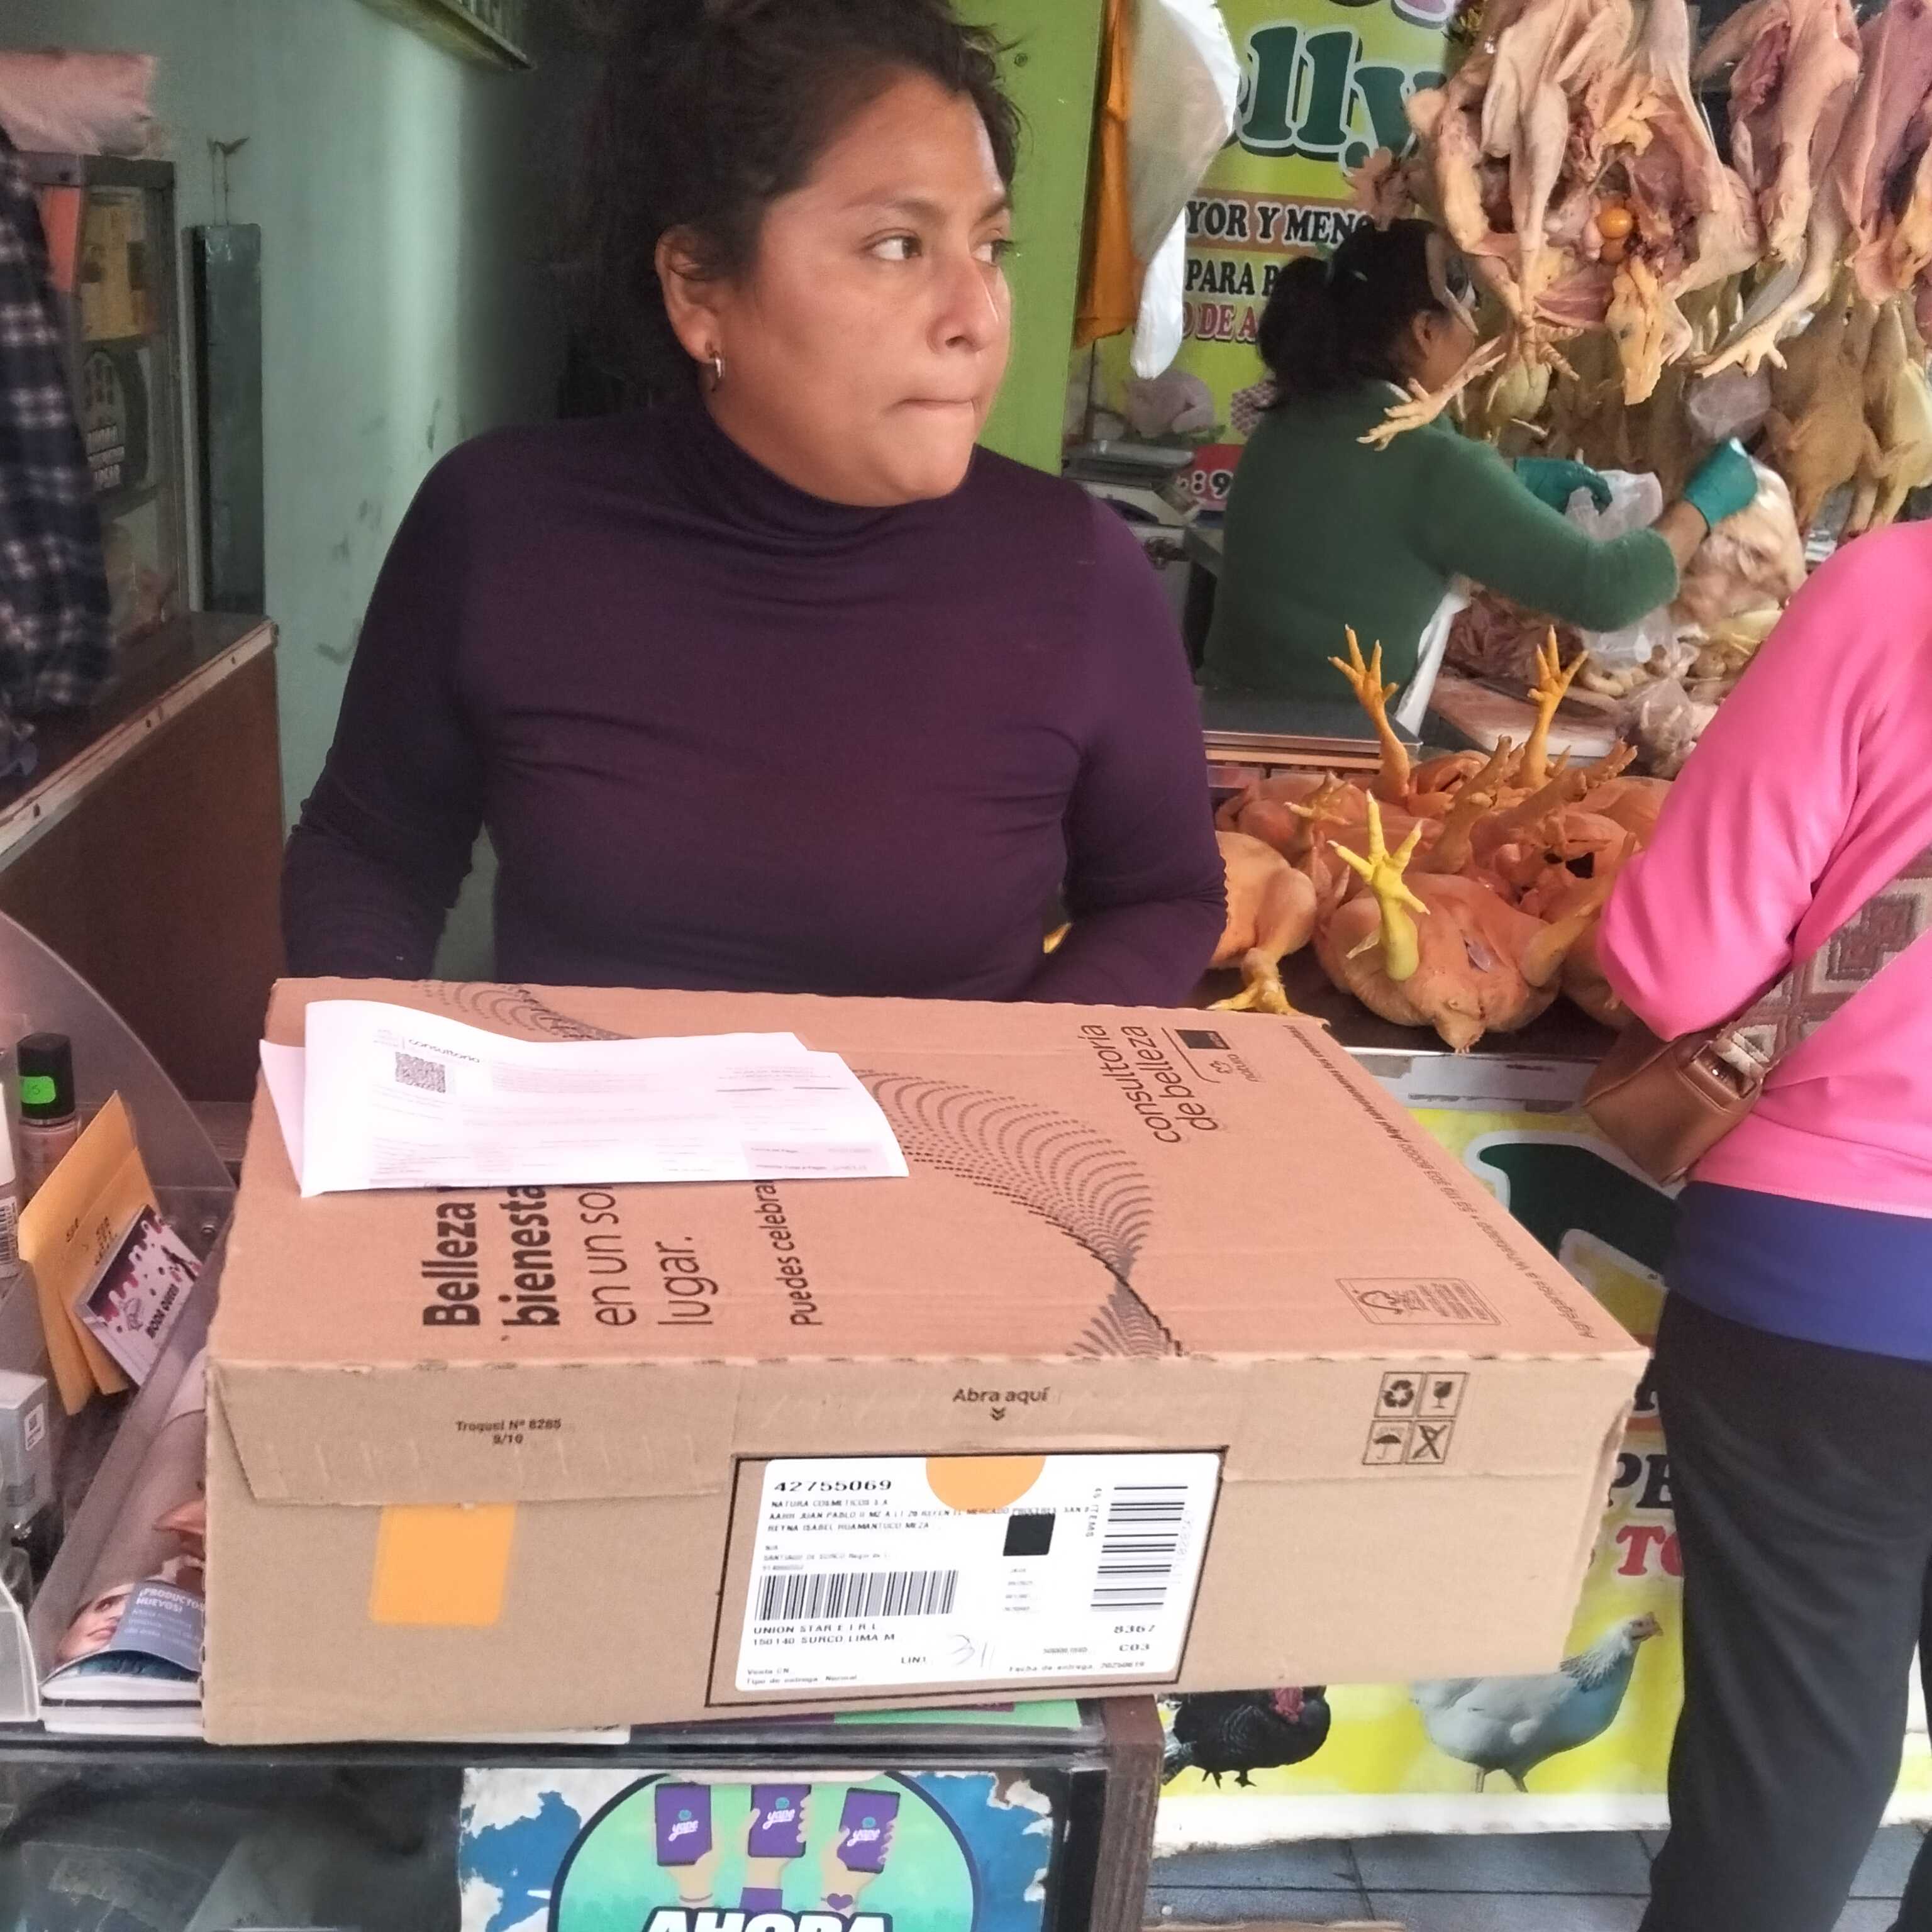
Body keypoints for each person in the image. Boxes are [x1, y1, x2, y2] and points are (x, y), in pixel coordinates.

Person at [283, 0, 1224, 1005]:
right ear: (698, 289)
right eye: (897, 246)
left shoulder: (1075, 571)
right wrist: (364, 1050)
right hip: (579, 1109)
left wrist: (999, 1078)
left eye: (989, 245)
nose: (978, 317)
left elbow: (1163, 895)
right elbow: (370, 849)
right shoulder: (502, 528)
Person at [1595, 519, 1932, 1932]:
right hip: (1837, 1287)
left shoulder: (1897, 588)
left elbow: (1681, 962)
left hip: (1832, 1275)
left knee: (1789, 1764)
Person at [1198, 218, 1759, 703]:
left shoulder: (1289, 421)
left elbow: (1371, 508)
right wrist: (1704, 504)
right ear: (1424, 332)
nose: (1478, 334)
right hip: (1326, 754)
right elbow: (1607, 591)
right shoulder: (1432, 463)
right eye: (1471, 310)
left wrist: (1511, 479)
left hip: (1220, 727)